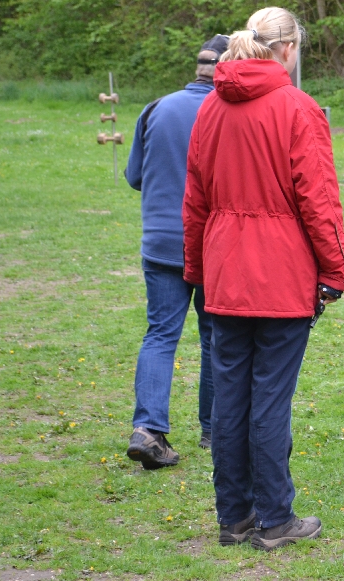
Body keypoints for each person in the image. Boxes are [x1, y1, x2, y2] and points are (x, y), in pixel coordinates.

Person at [183, 7, 344, 551]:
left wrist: (197, 268)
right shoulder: (297, 108)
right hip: (280, 276)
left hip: (226, 274)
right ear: (289, 48)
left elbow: (195, 201)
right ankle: (275, 518)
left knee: (230, 399)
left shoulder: (210, 108)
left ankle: (234, 516)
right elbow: (319, 200)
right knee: (270, 400)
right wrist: (335, 270)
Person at [124, 34, 230, 470]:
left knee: (160, 335)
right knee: (214, 337)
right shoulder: (228, 112)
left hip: (161, 242)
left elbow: (134, 176)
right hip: (211, 243)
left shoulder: (155, 108)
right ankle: (214, 430)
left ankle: (148, 430)